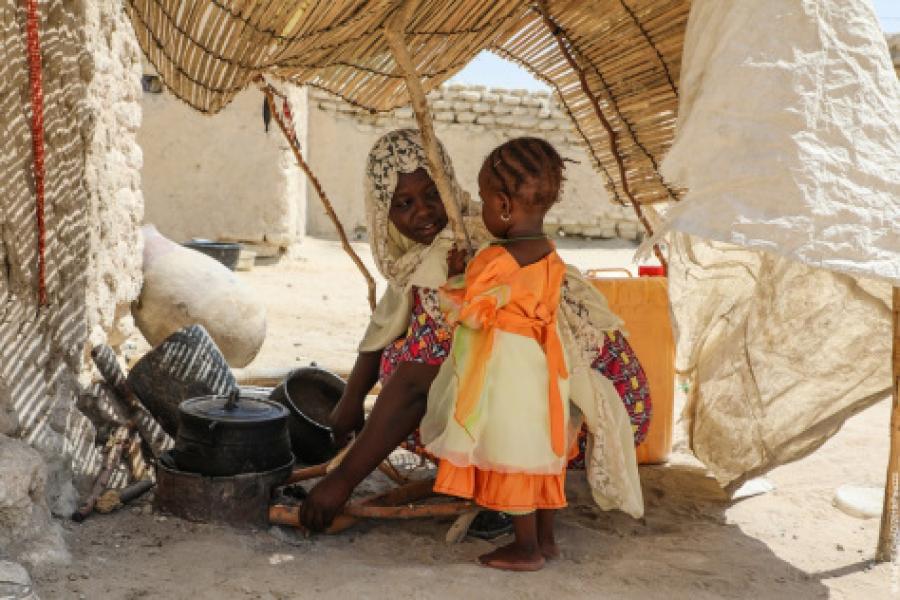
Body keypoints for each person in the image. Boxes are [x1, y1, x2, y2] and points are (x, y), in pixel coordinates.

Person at [301, 129, 647, 534]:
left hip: (583, 424)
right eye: (404, 203)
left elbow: (424, 378)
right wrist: (351, 401)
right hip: (575, 406)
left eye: (433, 195)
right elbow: (387, 317)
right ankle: (522, 514)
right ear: (383, 212)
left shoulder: (471, 249)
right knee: (414, 357)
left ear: (451, 184)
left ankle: (506, 498)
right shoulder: (473, 240)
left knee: (413, 372)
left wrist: (339, 481)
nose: (424, 212)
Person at [420, 138, 571, 571]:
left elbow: (467, 311)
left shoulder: (495, 258)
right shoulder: (550, 254)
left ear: (503, 205)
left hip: (507, 369)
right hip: (544, 364)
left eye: (485, 199)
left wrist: (455, 273)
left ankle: (525, 547)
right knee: (541, 446)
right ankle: (546, 538)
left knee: (512, 448)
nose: (484, 209)